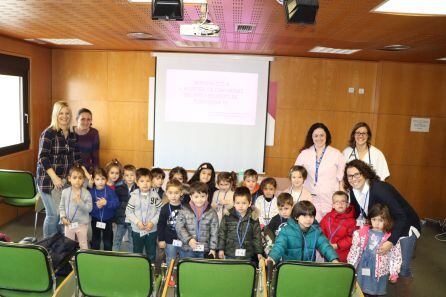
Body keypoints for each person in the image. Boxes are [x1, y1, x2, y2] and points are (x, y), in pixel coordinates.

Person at [344, 159, 420, 296]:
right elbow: (359, 213)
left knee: (402, 267)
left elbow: (400, 216)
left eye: (357, 174)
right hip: (386, 224)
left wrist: (391, 241)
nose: (353, 178)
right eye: (350, 176)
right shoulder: (353, 191)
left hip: (405, 225)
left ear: (365, 173)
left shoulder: (379, 188)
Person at [36, 101, 85, 238]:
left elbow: (77, 158)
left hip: (64, 180)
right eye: (61, 113)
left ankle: (58, 242)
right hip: (48, 180)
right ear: (55, 115)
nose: (65, 116)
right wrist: (54, 177)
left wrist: (86, 173)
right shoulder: (48, 133)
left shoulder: (72, 134)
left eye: (67, 113)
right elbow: (43, 158)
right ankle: (48, 246)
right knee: (53, 214)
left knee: (62, 213)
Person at [347, 204, 402, 297]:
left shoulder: (391, 238)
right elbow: (354, 251)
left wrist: (394, 272)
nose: (376, 223)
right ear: (369, 219)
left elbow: (396, 256)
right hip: (363, 267)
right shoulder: (361, 234)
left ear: (387, 220)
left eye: (381, 220)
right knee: (360, 290)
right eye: (374, 219)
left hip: (379, 272)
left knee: (374, 292)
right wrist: (350, 266)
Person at [295, 123, 345, 221]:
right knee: (310, 227)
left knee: (328, 228)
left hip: (330, 199)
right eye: (316, 136)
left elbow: (341, 180)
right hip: (309, 198)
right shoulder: (304, 154)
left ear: (327, 136)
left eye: (322, 135)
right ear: (311, 137)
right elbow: (295, 175)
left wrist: (341, 201)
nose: (319, 138)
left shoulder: (336, 154)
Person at [267, 200, 339, 264]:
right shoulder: (286, 231)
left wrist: (334, 259)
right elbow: (279, 246)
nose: (308, 219)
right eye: (304, 216)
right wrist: (272, 258)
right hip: (290, 268)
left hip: (308, 269)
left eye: (311, 216)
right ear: (296, 217)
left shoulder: (316, 231)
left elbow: (325, 246)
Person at [126, 168, 162, 261]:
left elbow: (160, 210)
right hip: (137, 230)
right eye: (142, 181)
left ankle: (151, 268)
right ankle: (138, 268)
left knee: (151, 251)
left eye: (148, 181)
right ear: (137, 182)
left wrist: (153, 222)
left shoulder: (155, 195)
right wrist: (137, 222)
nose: (145, 183)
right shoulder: (133, 196)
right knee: (137, 251)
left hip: (152, 229)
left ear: (151, 182)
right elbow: (128, 211)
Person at [217, 187, 263, 261]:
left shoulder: (254, 218)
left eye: (244, 203)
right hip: (230, 253)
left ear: (249, 203)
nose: (240, 206)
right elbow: (222, 233)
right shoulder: (227, 216)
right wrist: (221, 249)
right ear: (234, 203)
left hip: (247, 255)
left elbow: (257, 236)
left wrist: (259, 252)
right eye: (238, 203)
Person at [175, 182, 219, 259]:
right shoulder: (184, 210)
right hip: (187, 248)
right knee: (187, 269)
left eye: (202, 196)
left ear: (207, 196)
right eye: (196, 196)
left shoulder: (212, 212)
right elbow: (179, 227)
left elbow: (214, 231)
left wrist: (213, 248)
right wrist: (189, 240)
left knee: (201, 270)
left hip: (204, 249)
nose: (199, 199)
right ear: (191, 197)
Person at [59, 165, 93, 249]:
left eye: (80, 178)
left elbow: (89, 209)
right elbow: (61, 206)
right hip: (69, 223)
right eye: (74, 177)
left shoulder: (86, 193)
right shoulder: (65, 192)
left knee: (83, 243)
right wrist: (62, 217)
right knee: (69, 243)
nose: (77, 180)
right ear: (69, 179)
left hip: (82, 224)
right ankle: (71, 259)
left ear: (84, 180)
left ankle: (84, 258)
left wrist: (80, 202)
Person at [319, 191, 356, 262]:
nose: (340, 204)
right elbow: (320, 231)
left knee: (340, 272)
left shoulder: (352, 221)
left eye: (343, 201)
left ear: (347, 204)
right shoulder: (327, 217)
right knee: (327, 271)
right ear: (333, 205)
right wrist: (324, 245)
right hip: (328, 252)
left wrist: (337, 245)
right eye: (337, 202)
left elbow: (352, 238)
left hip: (343, 255)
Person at [90, 168, 119, 250]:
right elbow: (88, 209)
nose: (100, 181)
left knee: (108, 240)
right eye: (97, 179)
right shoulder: (91, 192)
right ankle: (95, 254)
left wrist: (107, 203)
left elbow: (116, 204)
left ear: (106, 179)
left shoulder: (110, 191)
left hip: (108, 219)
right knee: (96, 239)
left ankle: (108, 255)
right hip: (96, 219)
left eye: (103, 179)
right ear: (93, 180)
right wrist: (96, 207)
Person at [158, 179, 184, 266]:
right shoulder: (164, 208)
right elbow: (161, 225)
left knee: (183, 260)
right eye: (170, 193)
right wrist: (161, 239)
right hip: (169, 240)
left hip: (183, 240)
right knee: (170, 259)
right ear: (166, 193)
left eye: (176, 193)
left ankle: (182, 277)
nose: (173, 196)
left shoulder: (185, 207)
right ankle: (170, 278)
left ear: (181, 193)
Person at [112, 164, 138, 252]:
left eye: (132, 175)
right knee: (117, 239)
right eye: (127, 175)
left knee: (132, 241)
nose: (129, 177)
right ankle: (114, 256)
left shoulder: (139, 189)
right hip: (121, 219)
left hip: (133, 220)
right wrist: (115, 219)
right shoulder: (118, 188)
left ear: (135, 176)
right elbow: (116, 205)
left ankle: (130, 258)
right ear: (123, 177)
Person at [74, 108, 99, 172]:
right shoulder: (70, 132)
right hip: (71, 170)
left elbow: (95, 156)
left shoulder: (94, 133)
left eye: (88, 119)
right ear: (77, 119)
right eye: (83, 119)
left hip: (86, 170)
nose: (86, 122)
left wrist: (97, 173)